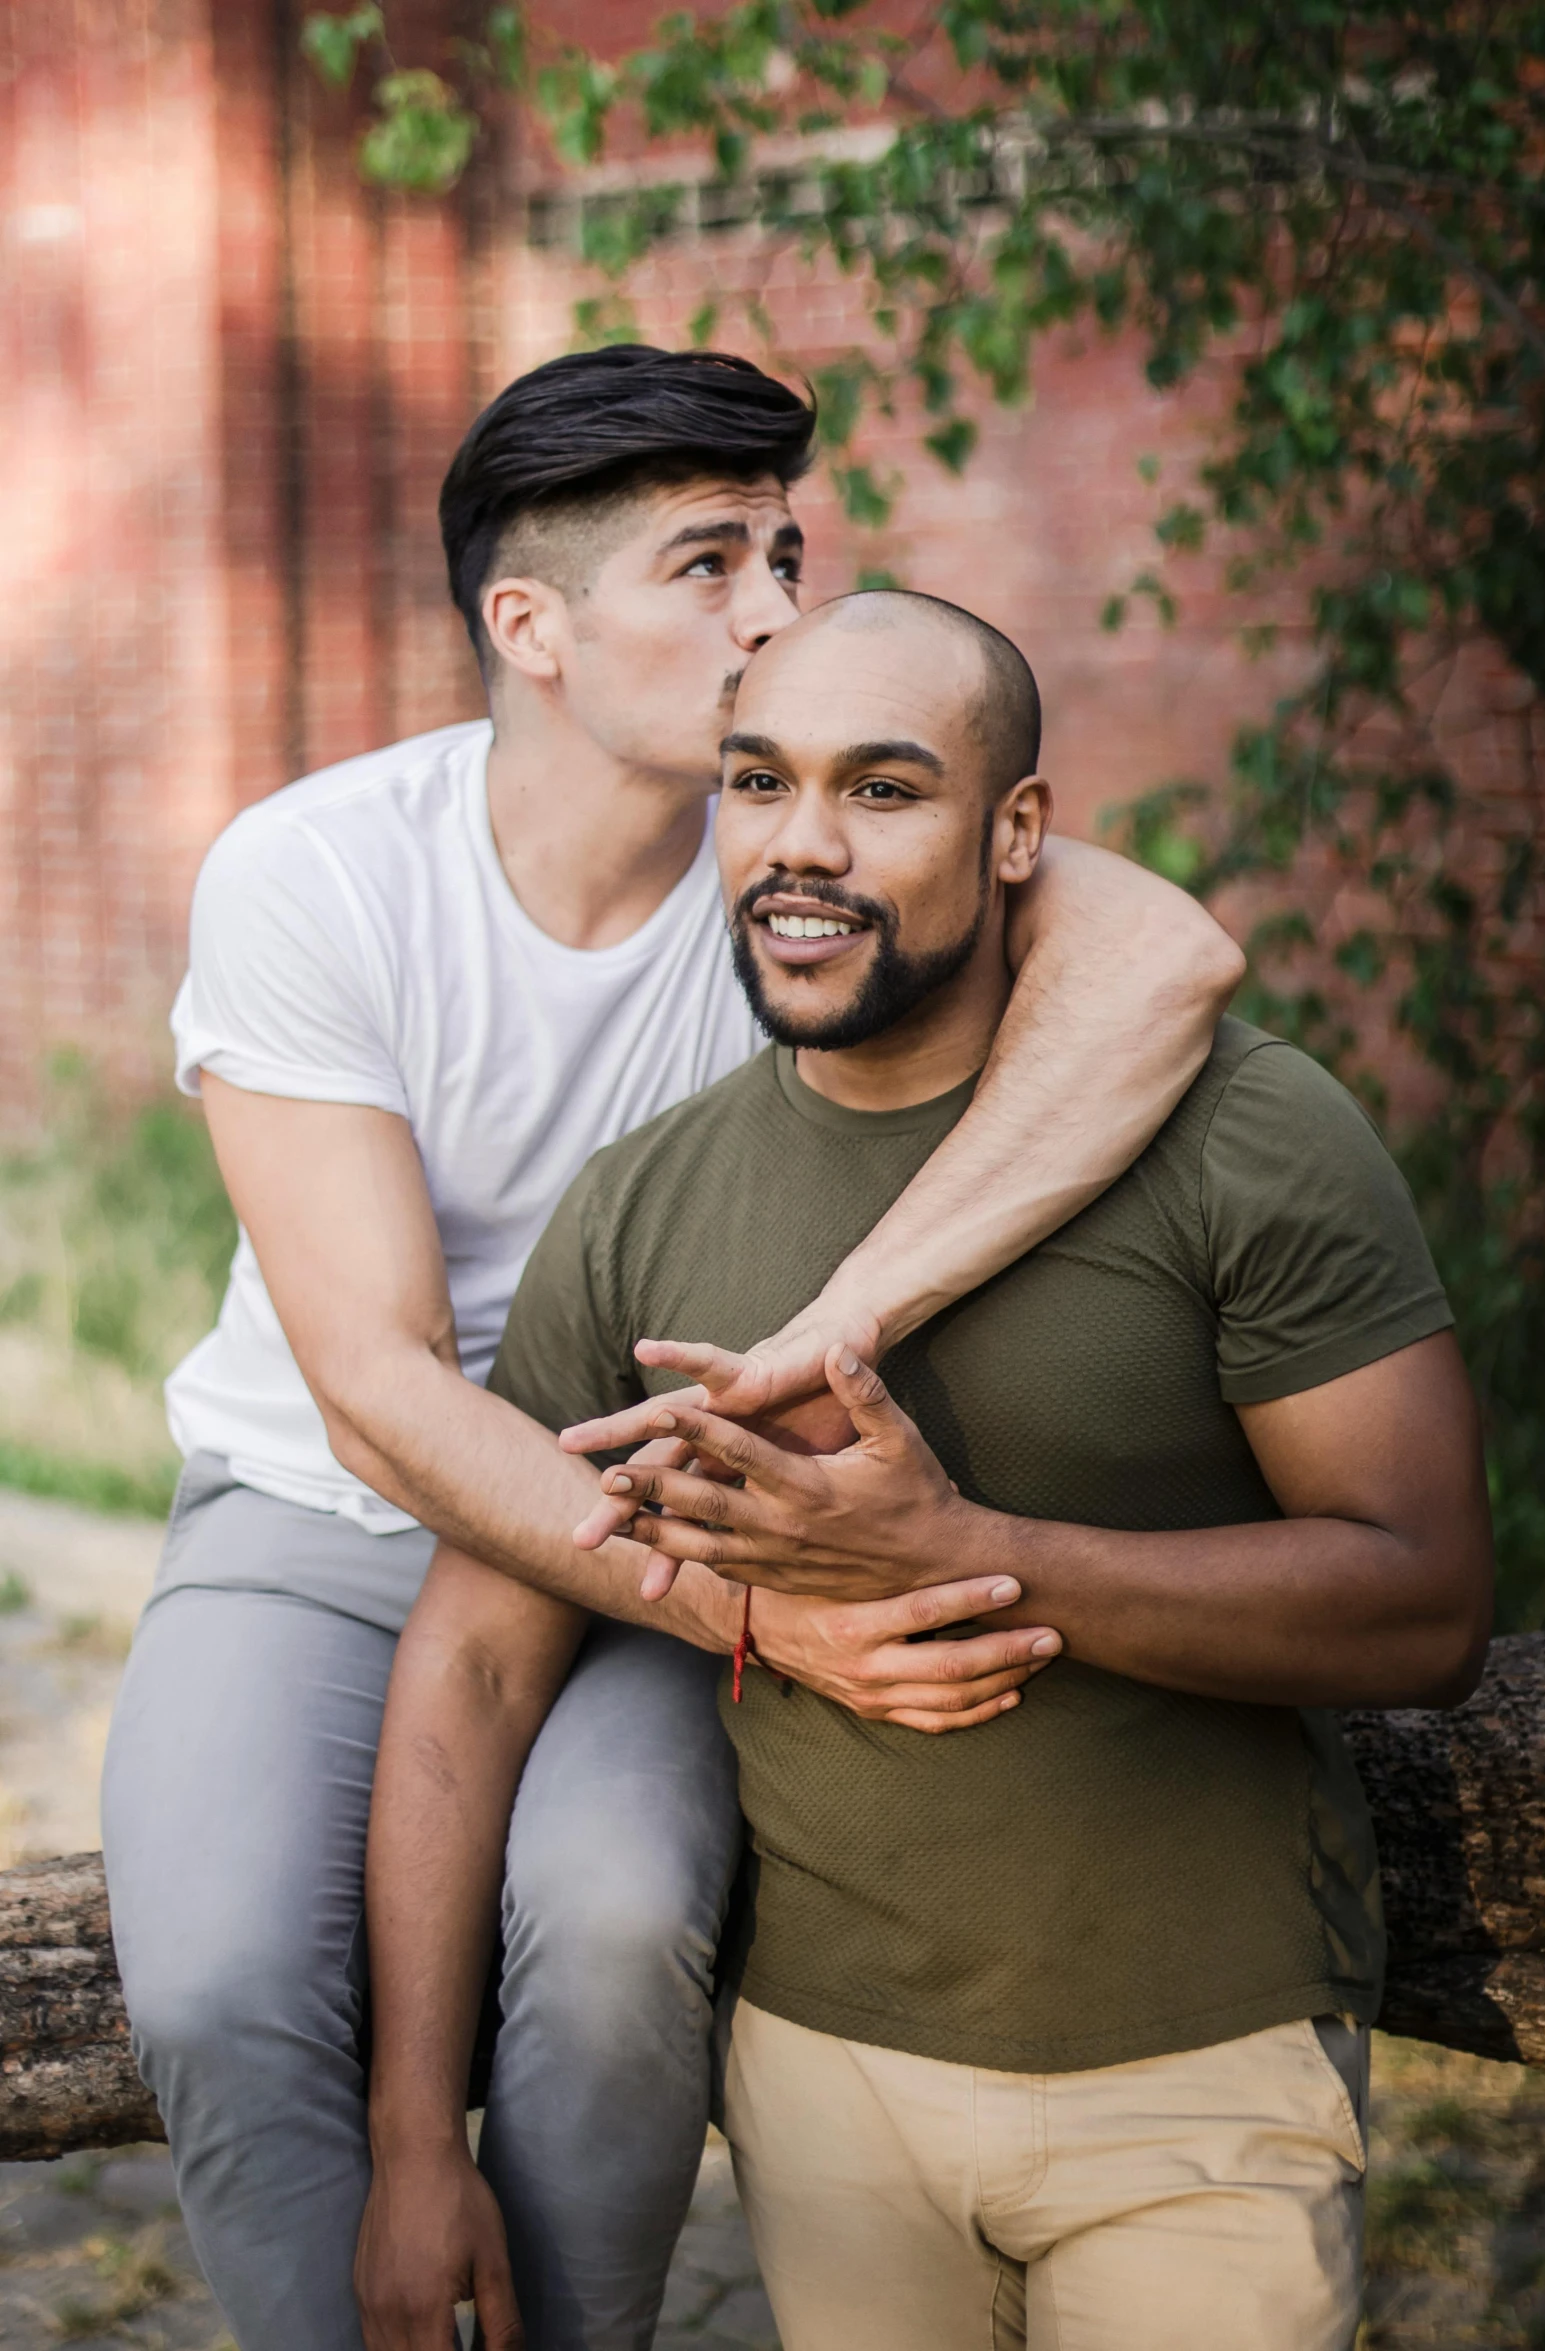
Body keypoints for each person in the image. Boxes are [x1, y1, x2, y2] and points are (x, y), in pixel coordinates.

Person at [100, 347, 1241, 2351]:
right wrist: (761, 1608)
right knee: (205, 1981)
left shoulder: (806, 888)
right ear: (528, 627)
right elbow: (372, 1384)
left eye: (787, 552)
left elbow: (1170, 953)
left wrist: (836, 1326)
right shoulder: (320, 870)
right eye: (711, 563)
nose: (781, 611)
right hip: (313, 1518)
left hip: (644, 1522)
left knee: (624, 1921)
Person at [393, 588, 1494, 2350]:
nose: (799, 846)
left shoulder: (1248, 1131)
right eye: (758, 782)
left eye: (882, 791)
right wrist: (407, 2145)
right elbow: (470, 1656)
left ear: (1017, 834)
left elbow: (1424, 1599)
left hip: (1197, 2077)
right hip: (823, 2087)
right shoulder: (642, 1200)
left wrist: (961, 1547)